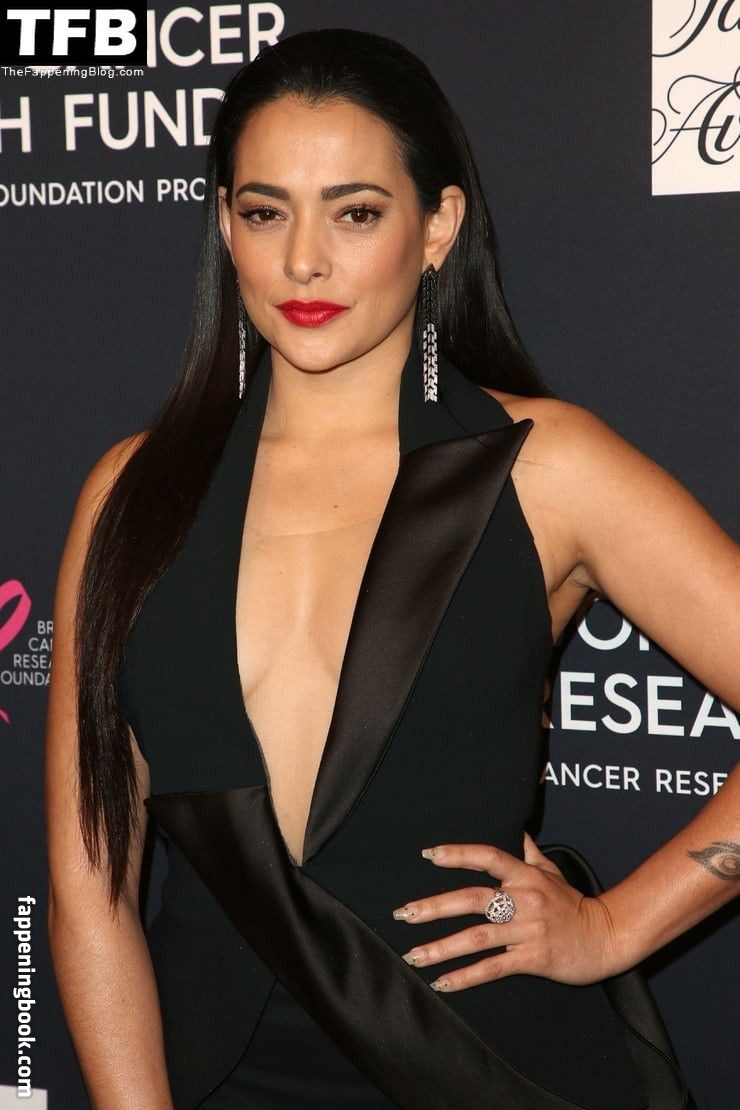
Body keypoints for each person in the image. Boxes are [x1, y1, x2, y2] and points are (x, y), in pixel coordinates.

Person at [45, 27, 738, 1110]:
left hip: (486, 1063)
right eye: (264, 211)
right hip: (212, 1074)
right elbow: (90, 884)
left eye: (355, 212)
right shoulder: (131, 492)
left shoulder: (543, 466)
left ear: (437, 227)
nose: (303, 261)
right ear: (225, 225)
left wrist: (614, 926)